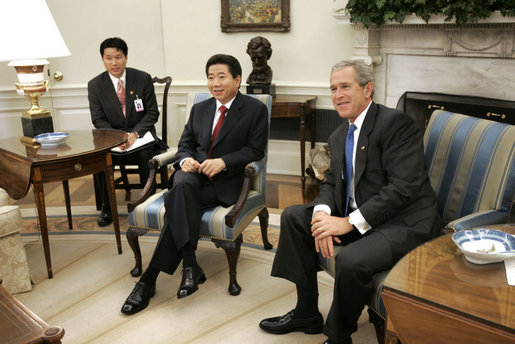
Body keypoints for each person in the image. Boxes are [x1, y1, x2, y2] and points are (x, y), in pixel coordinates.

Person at [259, 60, 442, 344]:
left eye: (345, 86)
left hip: (402, 222)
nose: (337, 94)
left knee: (351, 259)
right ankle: (307, 312)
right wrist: (321, 215)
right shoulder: (339, 134)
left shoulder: (396, 124)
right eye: (333, 88)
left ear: (367, 89)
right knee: (294, 217)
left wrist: (346, 223)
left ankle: (339, 336)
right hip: (362, 215)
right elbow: (332, 182)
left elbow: (402, 189)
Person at [120, 54, 269, 315]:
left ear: (237, 79)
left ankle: (149, 280)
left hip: (224, 183)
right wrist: (185, 158)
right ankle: (188, 264)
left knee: (179, 197)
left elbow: (255, 150)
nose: (215, 83)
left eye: (221, 77)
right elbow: (185, 143)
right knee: (182, 182)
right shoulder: (200, 109)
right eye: (211, 77)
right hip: (193, 176)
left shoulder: (255, 109)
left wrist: (224, 161)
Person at [88, 37, 166, 227]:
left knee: (146, 154)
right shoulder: (95, 85)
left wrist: (135, 134)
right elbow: (98, 120)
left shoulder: (142, 78)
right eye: (109, 58)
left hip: (141, 138)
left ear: (126, 57)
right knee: (98, 158)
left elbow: (152, 113)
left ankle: (148, 204)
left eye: (118, 57)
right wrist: (119, 138)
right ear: (102, 59)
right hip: (113, 139)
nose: (114, 63)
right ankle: (108, 207)